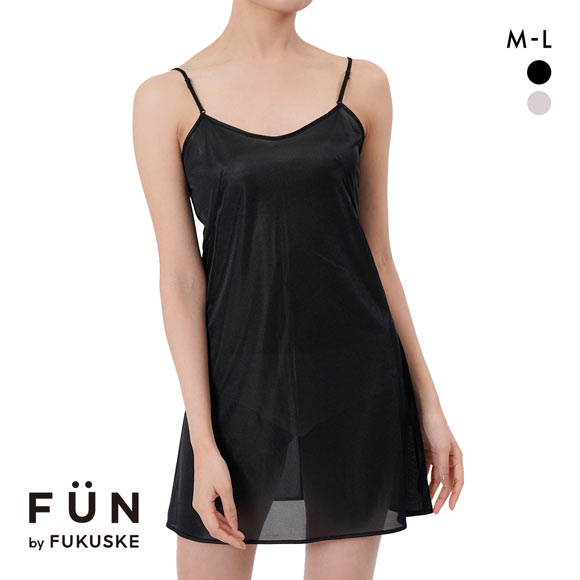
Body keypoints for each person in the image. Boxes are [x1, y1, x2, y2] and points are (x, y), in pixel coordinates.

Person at [132, 1, 464, 578]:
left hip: (354, 386)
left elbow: (378, 257)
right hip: (236, 392)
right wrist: (204, 442)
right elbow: (181, 278)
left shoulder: (362, 85)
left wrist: (429, 406)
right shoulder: (166, 99)